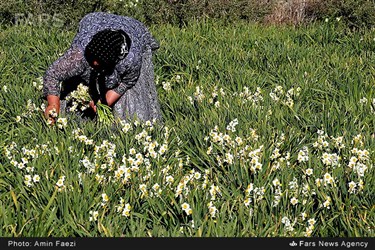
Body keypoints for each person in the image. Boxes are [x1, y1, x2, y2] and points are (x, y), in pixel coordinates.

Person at [42, 12, 162, 124]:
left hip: (133, 29)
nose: (93, 63)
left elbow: (127, 82)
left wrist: (105, 102)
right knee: (73, 78)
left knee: (132, 110)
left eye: (98, 62)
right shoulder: (79, 55)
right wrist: (53, 104)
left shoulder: (130, 60)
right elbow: (53, 74)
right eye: (92, 58)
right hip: (95, 22)